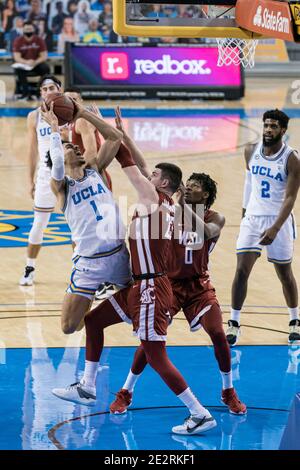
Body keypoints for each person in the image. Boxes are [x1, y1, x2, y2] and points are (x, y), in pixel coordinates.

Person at [52, 138, 218, 436]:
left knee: (156, 356)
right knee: (93, 320)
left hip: (151, 288)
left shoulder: (154, 202)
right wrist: (117, 132)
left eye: (153, 175)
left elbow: (129, 160)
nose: (147, 176)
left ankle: (199, 412)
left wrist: (106, 129)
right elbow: (138, 164)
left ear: (162, 183)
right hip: (139, 286)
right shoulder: (164, 202)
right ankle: (87, 386)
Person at [107, 108, 246, 416]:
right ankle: (125, 392)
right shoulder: (168, 207)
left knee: (219, 334)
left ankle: (228, 390)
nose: (191, 186)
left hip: (198, 287)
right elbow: (145, 170)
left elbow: (206, 232)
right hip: (167, 284)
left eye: (197, 185)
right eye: (189, 183)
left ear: (206, 194)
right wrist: (124, 136)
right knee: (150, 341)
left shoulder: (214, 217)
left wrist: (186, 206)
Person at [42, 100, 131, 334]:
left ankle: (109, 309)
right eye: (70, 147)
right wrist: (54, 131)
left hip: (119, 256)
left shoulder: (95, 170)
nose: (76, 147)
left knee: (139, 315)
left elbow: (115, 138)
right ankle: (95, 305)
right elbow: (58, 164)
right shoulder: (61, 186)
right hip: (88, 264)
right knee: (69, 326)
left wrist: (83, 114)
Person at [226, 109, 300, 346]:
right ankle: (234, 322)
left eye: (274, 126)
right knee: (241, 271)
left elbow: (290, 198)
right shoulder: (251, 150)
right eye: (266, 125)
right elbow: (249, 182)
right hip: (253, 219)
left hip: (279, 220)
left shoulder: (292, 159)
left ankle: (294, 320)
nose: (268, 130)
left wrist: (276, 228)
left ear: (283, 130)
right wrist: (244, 214)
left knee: (284, 273)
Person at [64, 86, 114, 299]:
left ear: (80, 101)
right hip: (86, 178)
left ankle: (103, 281)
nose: (71, 104)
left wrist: (79, 176)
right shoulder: (70, 124)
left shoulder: (82, 121)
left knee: (96, 228)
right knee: (82, 228)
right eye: (67, 101)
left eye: (74, 100)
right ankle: (92, 275)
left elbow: (92, 152)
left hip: (92, 178)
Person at [19, 75, 62, 286]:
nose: (47, 91)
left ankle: (81, 270)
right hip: (46, 175)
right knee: (39, 223)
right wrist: (31, 180)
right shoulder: (33, 116)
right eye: (44, 89)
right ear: (41, 93)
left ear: (59, 90)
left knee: (77, 224)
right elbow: (32, 151)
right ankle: (29, 268)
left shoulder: (70, 112)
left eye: (51, 87)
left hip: (70, 174)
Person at [12, 21, 50, 100]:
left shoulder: (39, 40)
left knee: (46, 68)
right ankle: (25, 93)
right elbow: (16, 57)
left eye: (30, 29)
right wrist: (27, 62)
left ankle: (38, 93)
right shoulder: (18, 41)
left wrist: (35, 62)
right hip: (23, 64)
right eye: (26, 29)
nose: (28, 31)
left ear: (34, 30)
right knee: (19, 70)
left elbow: (44, 56)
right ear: (23, 30)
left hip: (36, 64)